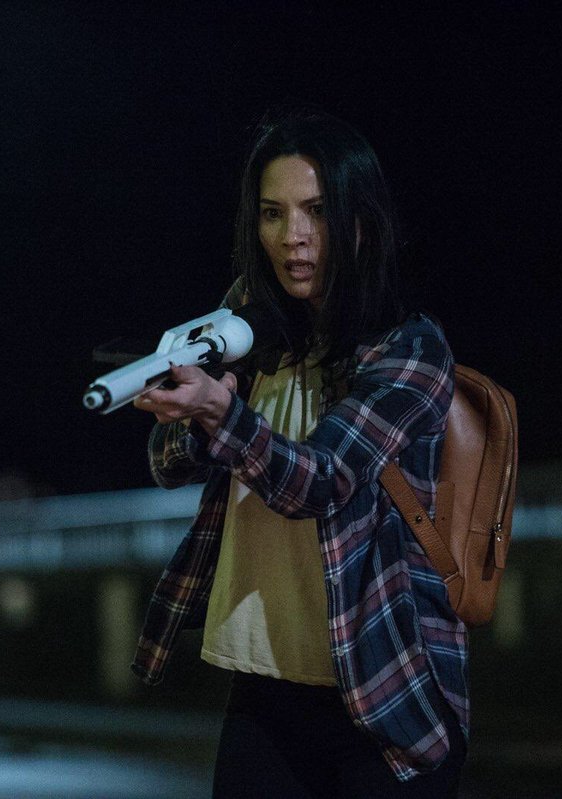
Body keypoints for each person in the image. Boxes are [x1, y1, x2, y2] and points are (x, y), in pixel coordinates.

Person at [130, 108, 466, 797]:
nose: (294, 236)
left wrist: (221, 413)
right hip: (264, 686)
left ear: (361, 220)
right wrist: (187, 408)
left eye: (316, 210)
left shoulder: (409, 348)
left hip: (384, 688)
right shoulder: (251, 323)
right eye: (273, 213)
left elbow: (321, 481)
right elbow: (167, 465)